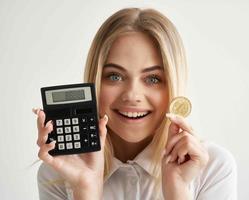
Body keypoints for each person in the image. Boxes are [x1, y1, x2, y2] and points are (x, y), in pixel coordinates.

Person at [33, 7, 237, 200]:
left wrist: (178, 190)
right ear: (94, 82)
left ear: (173, 85)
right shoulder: (58, 172)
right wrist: (85, 190)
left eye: (153, 79)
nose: (132, 95)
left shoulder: (213, 168)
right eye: (114, 76)